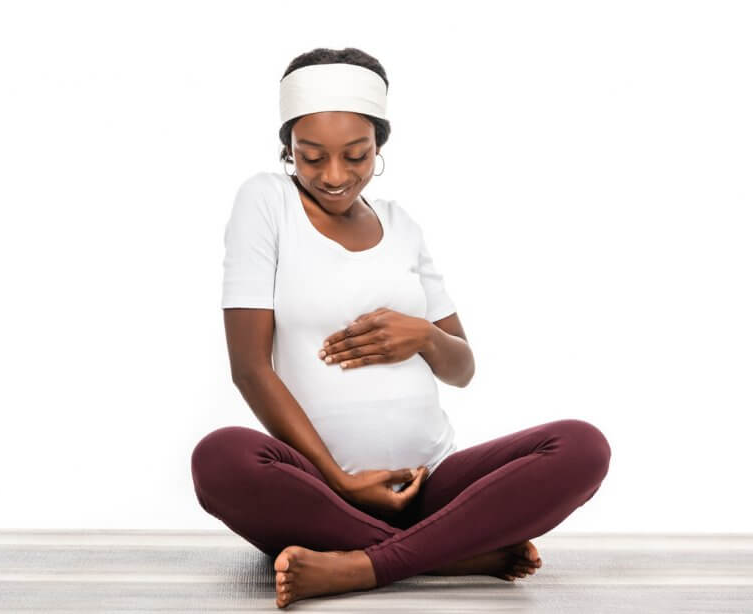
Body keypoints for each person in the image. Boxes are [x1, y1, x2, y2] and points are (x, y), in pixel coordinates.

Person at [191, 47, 611, 609]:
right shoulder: (266, 202)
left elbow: (462, 368)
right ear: (287, 148)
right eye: (311, 158)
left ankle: (362, 564)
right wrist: (340, 480)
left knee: (582, 446)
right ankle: (449, 555)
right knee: (219, 458)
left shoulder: (402, 226)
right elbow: (249, 368)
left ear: (380, 148)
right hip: (316, 493)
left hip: (432, 485)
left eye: (356, 156)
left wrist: (425, 336)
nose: (335, 176)